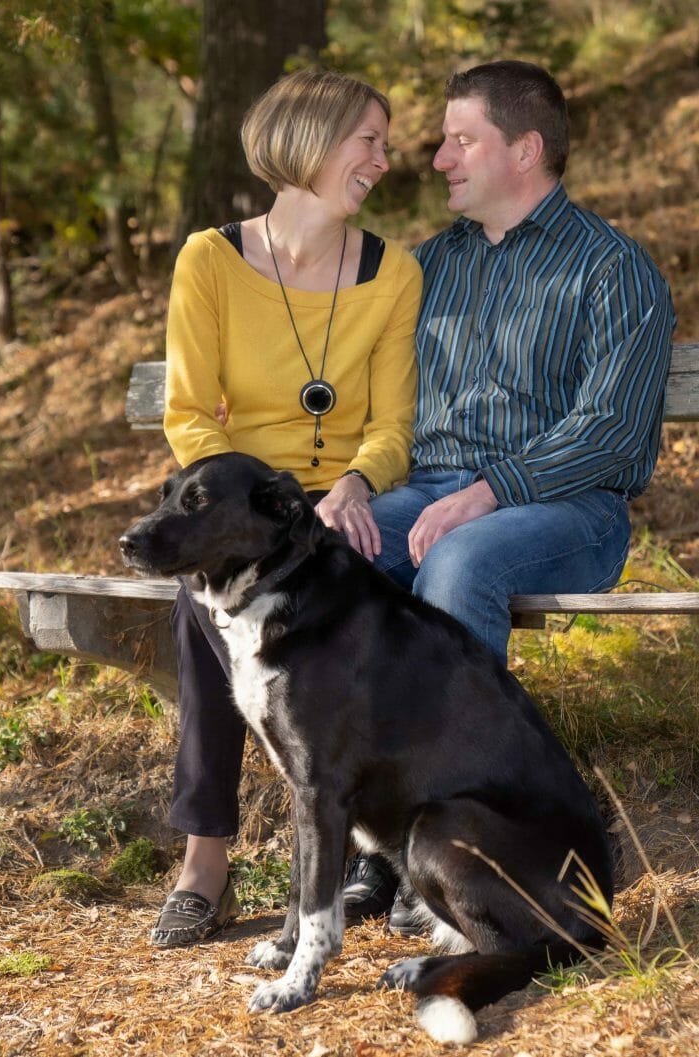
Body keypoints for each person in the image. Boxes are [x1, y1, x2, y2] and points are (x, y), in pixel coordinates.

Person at [342, 59, 675, 933]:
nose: (440, 156)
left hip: (566, 507)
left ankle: (461, 848)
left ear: (523, 149)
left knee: (458, 560)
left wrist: (488, 492)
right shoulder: (424, 269)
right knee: (328, 560)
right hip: (427, 492)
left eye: (461, 139)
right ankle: (372, 846)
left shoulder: (612, 270)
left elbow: (609, 433)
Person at [151, 68, 422, 947]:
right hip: (238, 495)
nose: (383, 159)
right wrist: (252, 501)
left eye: (383, 142)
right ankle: (205, 861)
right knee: (203, 607)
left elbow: (391, 424)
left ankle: (371, 852)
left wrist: (355, 482)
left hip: (343, 501)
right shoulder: (212, 259)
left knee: (371, 594)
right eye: (367, 140)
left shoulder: (392, 272)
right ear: (309, 139)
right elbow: (189, 412)